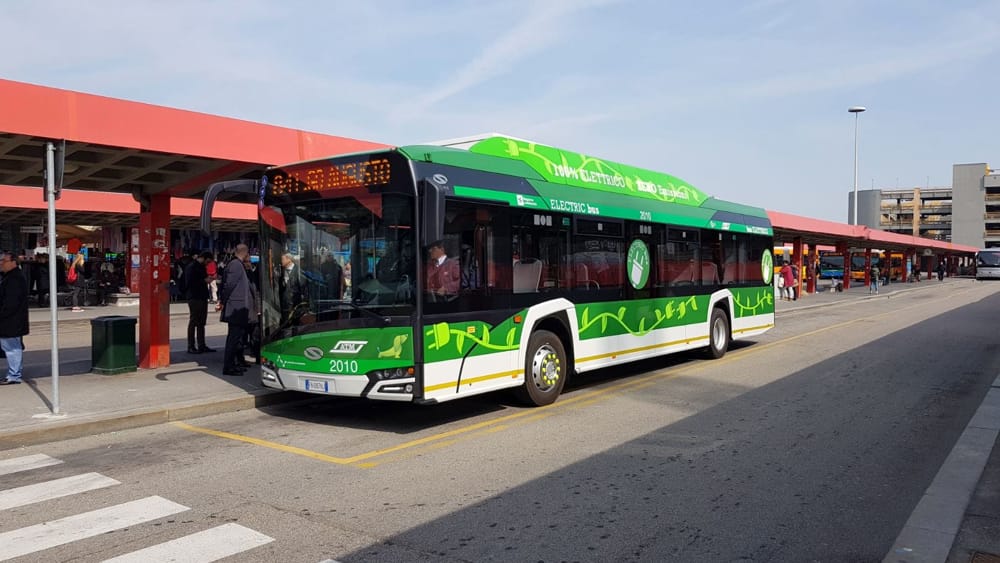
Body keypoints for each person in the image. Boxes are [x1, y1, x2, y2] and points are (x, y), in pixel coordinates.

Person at [219, 244, 253, 376]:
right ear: (245, 253)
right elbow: (228, 285)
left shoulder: (238, 265)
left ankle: (233, 364)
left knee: (237, 338)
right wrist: (222, 301)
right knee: (233, 339)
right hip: (235, 308)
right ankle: (228, 366)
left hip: (238, 308)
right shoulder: (235, 265)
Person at [0, 252, 29, 385]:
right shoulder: (10, 276)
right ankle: (14, 373)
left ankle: (14, 375)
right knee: (11, 346)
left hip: (11, 320)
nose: (1, 263)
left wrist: (3, 313)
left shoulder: (14, 278)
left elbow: (11, 302)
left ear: (13, 262)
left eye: (3, 261)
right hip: (11, 319)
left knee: (12, 347)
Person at [183, 251, 215, 354]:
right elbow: (190, 283)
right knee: (194, 321)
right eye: (207, 261)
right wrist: (204, 280)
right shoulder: (192, 267)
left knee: (201, 322)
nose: (208, 264)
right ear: (203, 258)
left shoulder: (200, 267)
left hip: (201, 296)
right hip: (194, 297)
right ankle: (191, 346)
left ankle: (202, 345)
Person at [279, 253, 305, 325]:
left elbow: (302, 289)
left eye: (282, 259)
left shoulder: (299, 272)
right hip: (285, 307)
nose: (281, 261)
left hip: (294, 306)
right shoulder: (282, 271)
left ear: (289, 259)